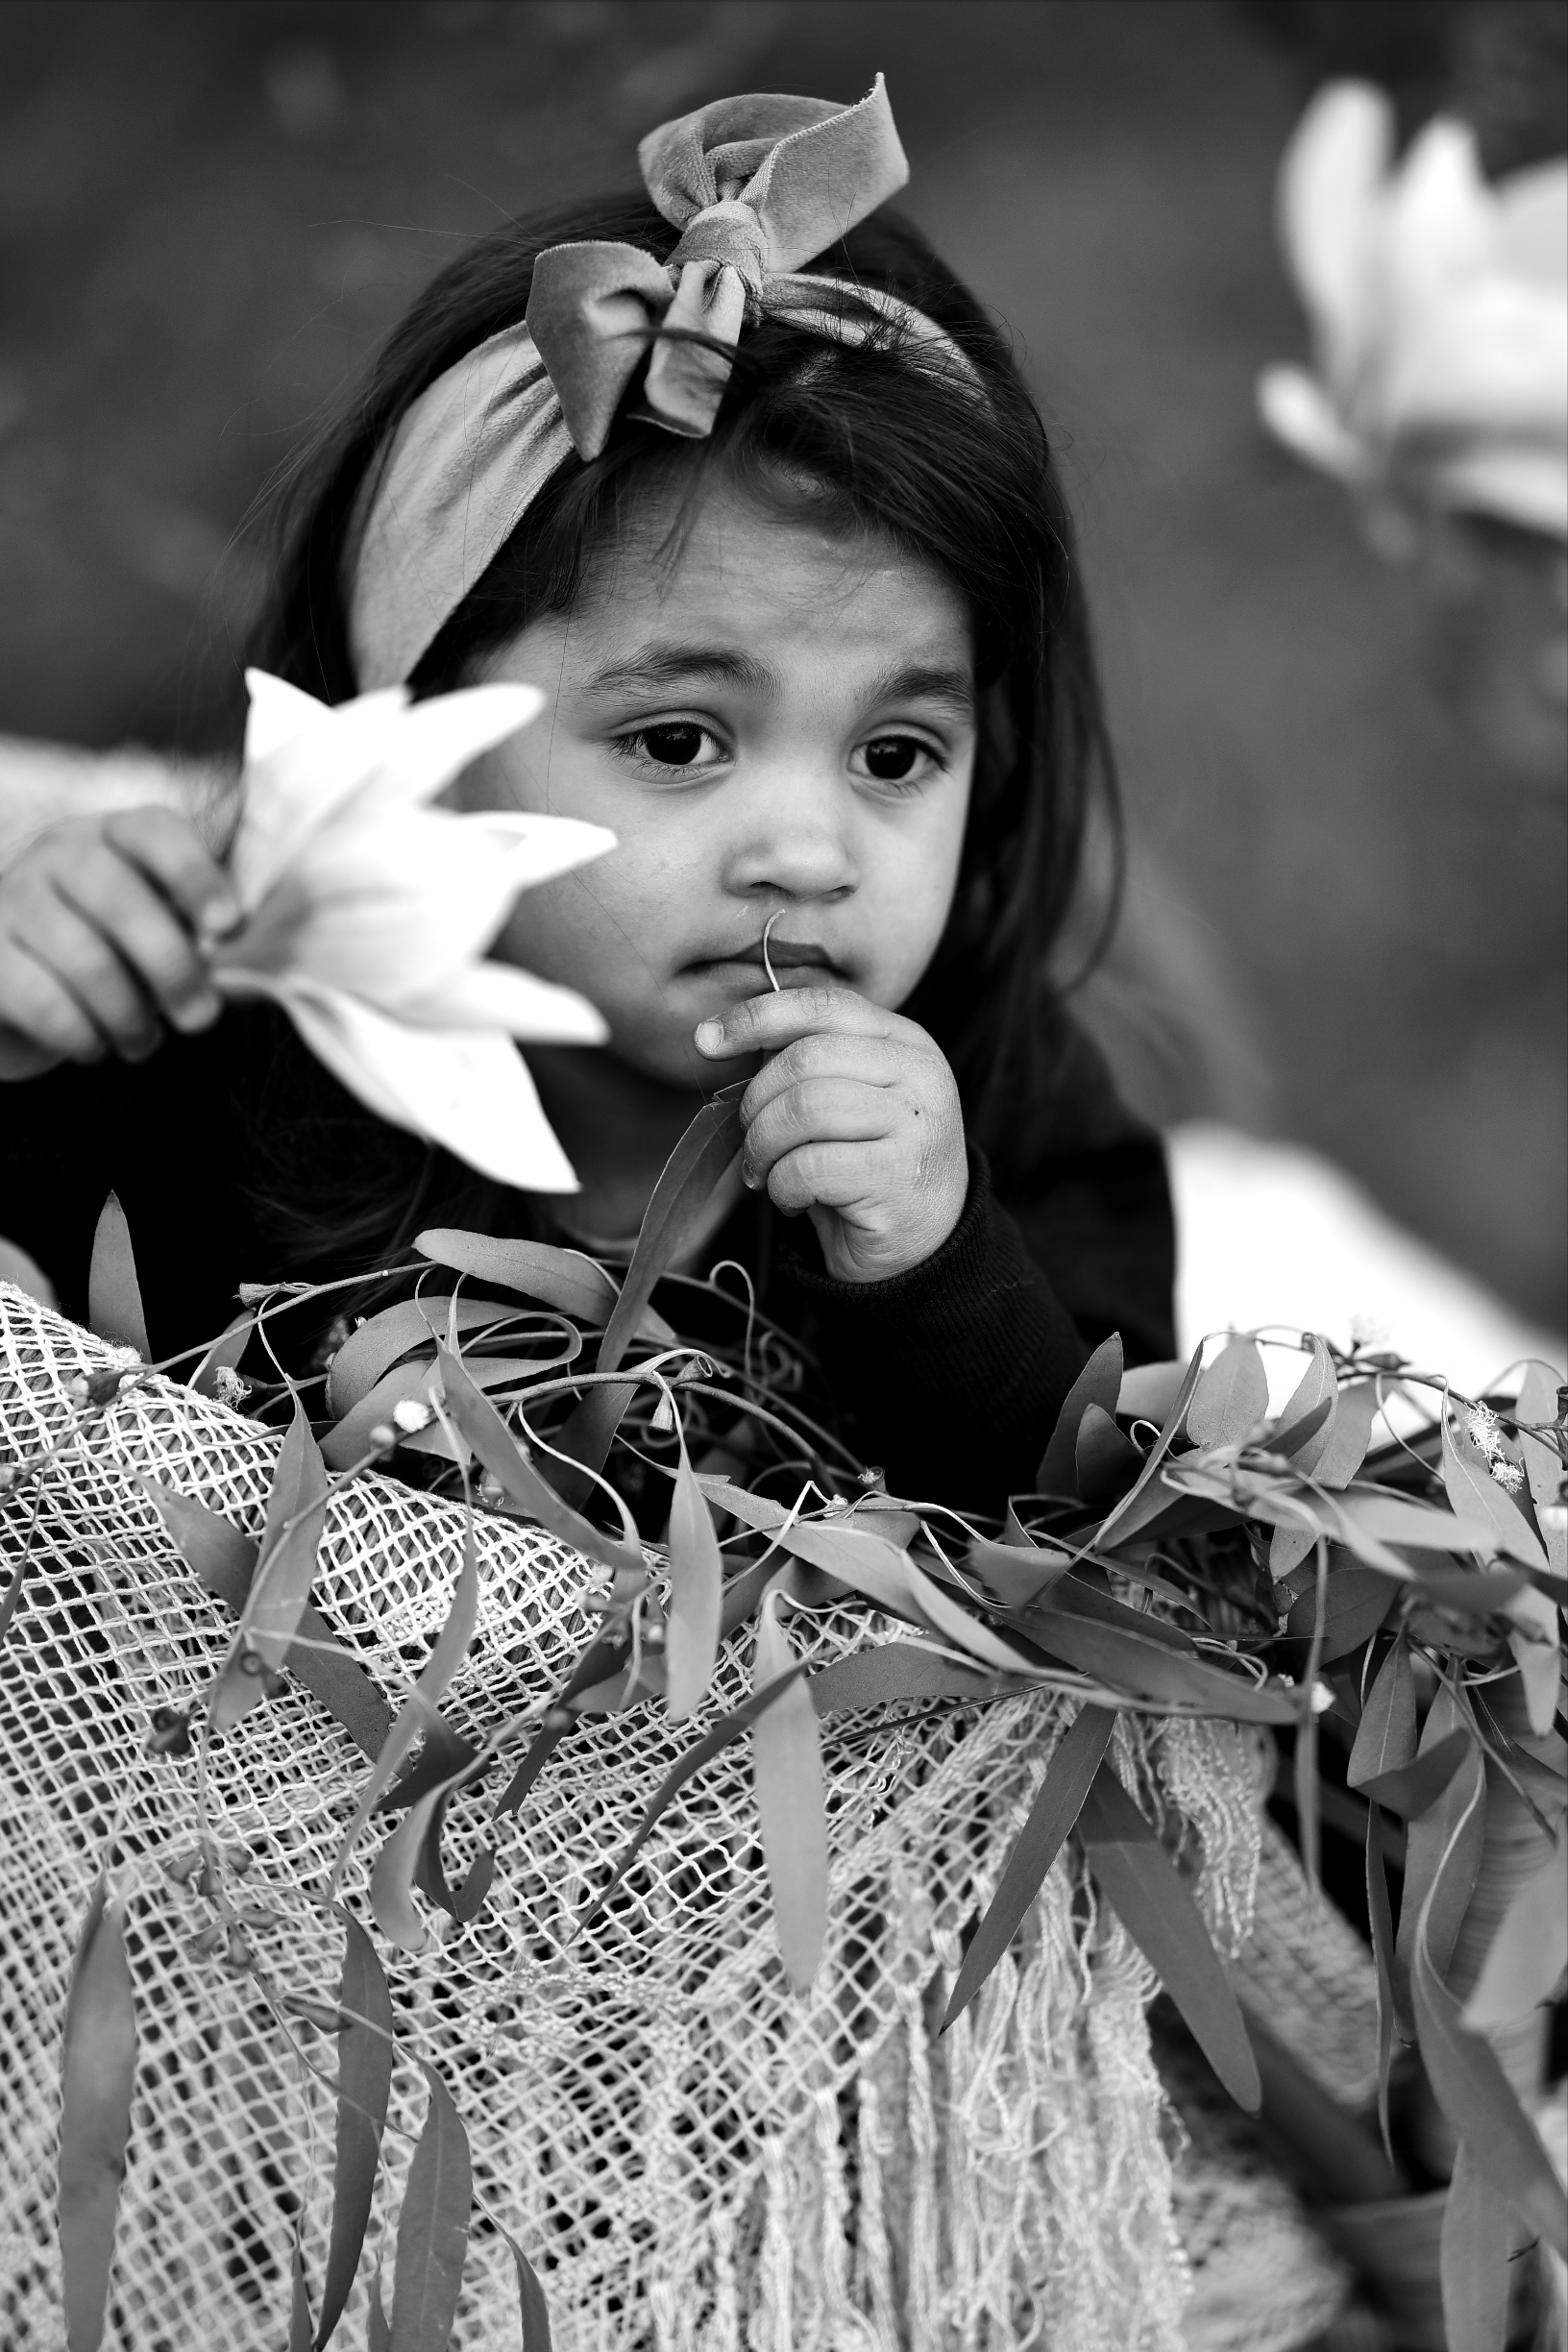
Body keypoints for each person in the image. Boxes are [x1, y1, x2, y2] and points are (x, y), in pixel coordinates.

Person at [0, 79, 1172, 1514]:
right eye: (679, 741)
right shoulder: (222, 1037)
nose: (810, 855)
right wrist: (28, 1030)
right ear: (415, 732)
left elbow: (1125, 1556)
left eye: (895, 755)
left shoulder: (1023, 1112)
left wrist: (936, 1271)